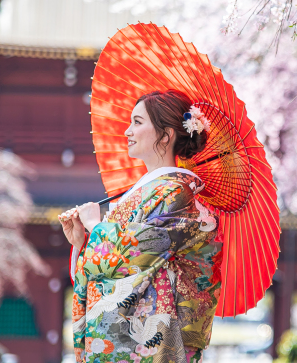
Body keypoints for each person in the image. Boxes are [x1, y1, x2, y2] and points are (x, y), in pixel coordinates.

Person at [60, 90, 221, 363]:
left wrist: (95, 226)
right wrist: (84, 244)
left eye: (137, 122)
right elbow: (116, 265)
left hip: (153, 344)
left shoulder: (176, 193)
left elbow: (133, 257)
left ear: (166, 134)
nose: (127, 130)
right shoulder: (152, 191)